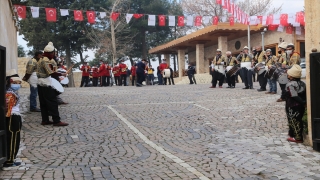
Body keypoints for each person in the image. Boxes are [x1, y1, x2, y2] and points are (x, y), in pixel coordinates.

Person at [36, 42, 68, 126]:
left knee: (43, 103)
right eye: (54, 52)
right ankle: (56, 121)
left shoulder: (43, 59)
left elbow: (53, 71)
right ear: (51, 52)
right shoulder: (46, 61)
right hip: (46, 83)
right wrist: (62, 74)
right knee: (52, 102)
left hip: (41, 83)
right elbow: (51, 73)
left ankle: (45, 120)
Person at [2, 69, 23, 170]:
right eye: (16, 83)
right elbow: (8, 108)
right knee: (12, 138)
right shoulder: (10, 93)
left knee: (13, 138)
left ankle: (11, 158)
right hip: (12, 117)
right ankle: (10, 160)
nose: (18, 84)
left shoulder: (11, 91)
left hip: (14, 116)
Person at [285, 64, 306, 143]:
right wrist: (303, 102)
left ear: (291, 76)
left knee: (294, 120)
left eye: (289, 74)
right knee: (297, 119)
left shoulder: (291, 84)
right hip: (300, 105)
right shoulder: (302, 83)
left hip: (292, 105)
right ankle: (292, 133)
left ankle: (297, 137)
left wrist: (302, 101)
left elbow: (294, 95)